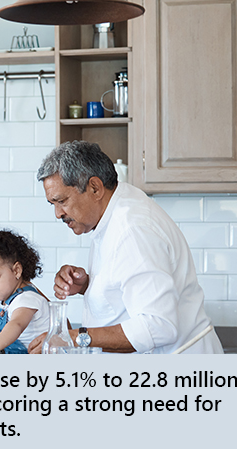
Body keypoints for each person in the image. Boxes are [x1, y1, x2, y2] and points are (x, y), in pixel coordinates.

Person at [28, 141, 223, 354]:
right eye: (53, 204)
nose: (58, 213)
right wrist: (87, 286)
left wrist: (74, 337)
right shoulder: (115, 210)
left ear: (95, 188)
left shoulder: (133, 229)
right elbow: (130, 287)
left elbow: (159, 326)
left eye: (62, 201)